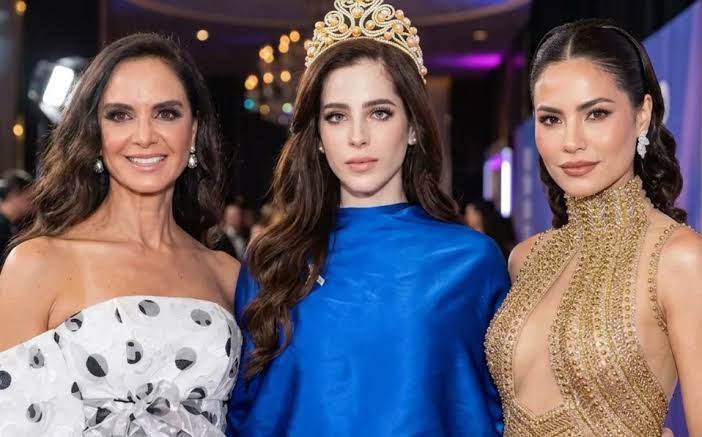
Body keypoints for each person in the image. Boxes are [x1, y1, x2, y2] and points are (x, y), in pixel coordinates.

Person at [226, 1, 509, 435]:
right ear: (318, 137)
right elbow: (250, 414)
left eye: (380, 112)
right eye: (337, 117)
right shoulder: (272, 261)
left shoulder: (470, 261)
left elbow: (496, 408)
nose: (358, 136)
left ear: (413, 127)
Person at [0, 33, 241, 436]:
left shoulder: (227, 274)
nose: (144, 136)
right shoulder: (37, 264)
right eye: (120, 115)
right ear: (95, 134)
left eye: (166, 113)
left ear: (194, 130)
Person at [485, 19, 702, 435]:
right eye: (551, 119)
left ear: (642, 115)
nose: (571, 141)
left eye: (596, 114)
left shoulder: (680, 260)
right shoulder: (525, 259)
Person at [0, 169, 33, 260]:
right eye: (28, 197)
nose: (32, 203)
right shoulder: (2, 226)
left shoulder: (10, 224)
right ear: (13, 194)